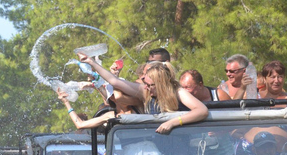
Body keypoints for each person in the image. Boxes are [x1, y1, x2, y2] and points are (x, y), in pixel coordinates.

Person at [79, 55, 208, 134]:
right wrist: (91, 62)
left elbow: (202, 111)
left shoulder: (178, 92)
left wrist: (173, 122)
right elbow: (115, 81)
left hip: (180, 144)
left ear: (161, 84)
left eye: (150, 85)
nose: (145, 87)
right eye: (146, 84)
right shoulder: (146, 91)